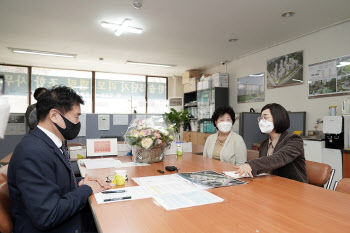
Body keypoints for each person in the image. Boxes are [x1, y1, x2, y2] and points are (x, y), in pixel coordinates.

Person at [8, 86, 111, 233]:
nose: (78, 122)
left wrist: (80, 181)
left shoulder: (49, 143)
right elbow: (47, 216)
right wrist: (87, 188)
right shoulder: (33, 152)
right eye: (76, 116)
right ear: (54, 115)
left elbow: (52, 179)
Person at [235, 103, 308, 183]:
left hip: (292, 187)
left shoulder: (294, 140)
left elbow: (279, 158)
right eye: (261, 118)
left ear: (278, 118)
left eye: (265, 117)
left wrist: (251, 165)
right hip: (271, 184)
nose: (262, 121)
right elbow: (264, 167)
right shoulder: (264, 144)